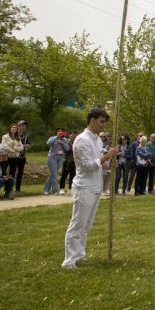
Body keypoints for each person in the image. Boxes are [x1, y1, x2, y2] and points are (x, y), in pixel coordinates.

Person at [61, 108, 118, 269]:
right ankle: (69, 260)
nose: (103, 125)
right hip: (84, 186)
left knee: (87, 224)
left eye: (105, 122)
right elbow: (87, 166)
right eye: (101, 121)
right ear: (92, 120)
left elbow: (98, 162)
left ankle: (79, 254)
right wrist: (107, 156)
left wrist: (109, 163)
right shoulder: (82, 140)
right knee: (78, 223)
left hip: (95, 186)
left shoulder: (97, 140)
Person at [45, 129, 70, 195]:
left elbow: (67, 149)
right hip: (52, 157)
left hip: (61, 157)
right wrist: (57, 137)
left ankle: (46, 189)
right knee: (54, 174)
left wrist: (62, 143)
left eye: (62, 132)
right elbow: (48, 143)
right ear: (56, 132)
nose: (60, 133)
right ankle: (55, 190)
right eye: (59, 131)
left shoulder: (65, 140)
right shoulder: (52, 138)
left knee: (53, 174)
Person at [14, 120, 30, 193]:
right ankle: (8, 189)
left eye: (25, 126)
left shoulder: (26, 135)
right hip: (13, 156)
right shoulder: (13, 134)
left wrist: (21, 145)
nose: (24, 127)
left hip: (22, 156)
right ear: (18, 126)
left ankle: (18, 189)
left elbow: (29, 145)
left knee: (20, 173)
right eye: (22, 125)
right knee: (12, 173)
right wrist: (21, 145)